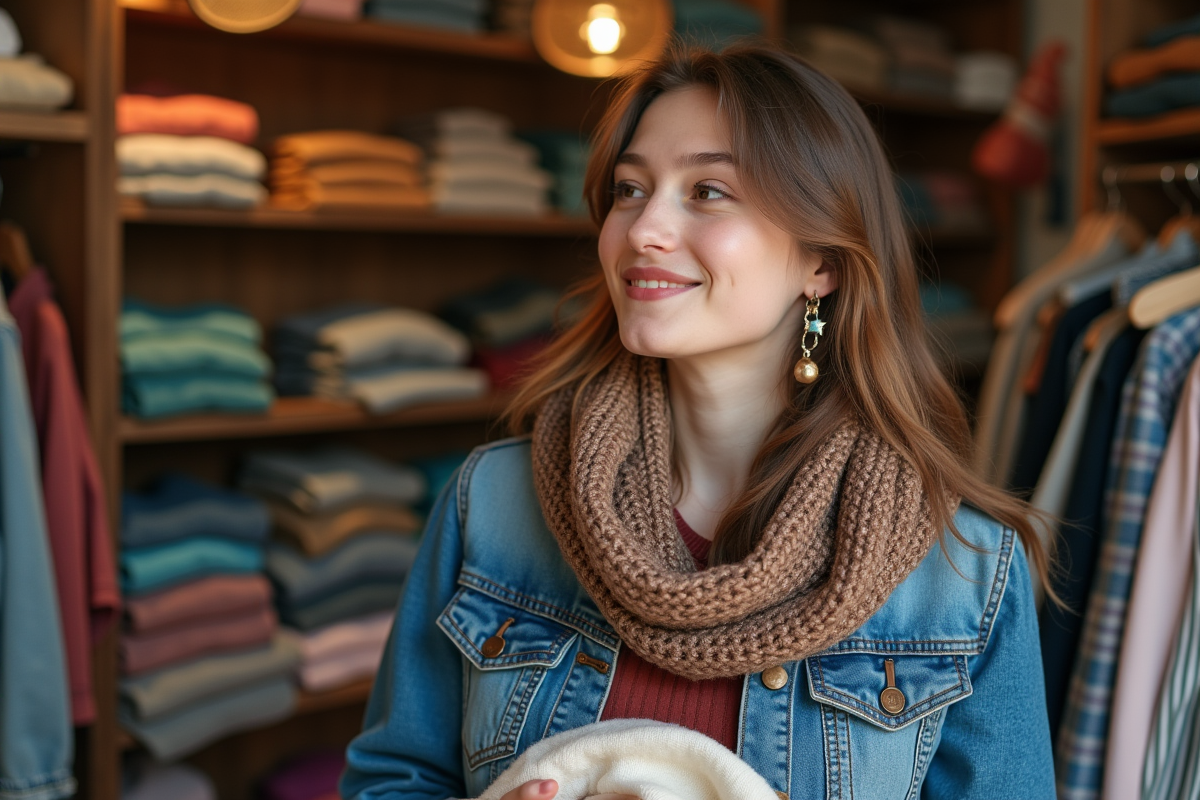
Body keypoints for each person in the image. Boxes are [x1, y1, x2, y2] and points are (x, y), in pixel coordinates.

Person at [340, 42, 1056, 800]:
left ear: (822, 260)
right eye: (629, 188)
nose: (645, 228)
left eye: (708, 191)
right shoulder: (494, 501)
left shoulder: (961, 570)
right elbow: (392, 779)